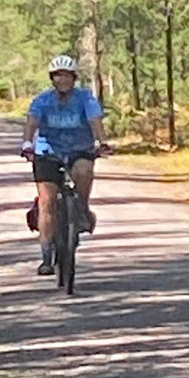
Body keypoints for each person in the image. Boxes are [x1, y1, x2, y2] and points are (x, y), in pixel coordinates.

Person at [20, 55, 111, 275]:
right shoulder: (42, 100)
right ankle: (46, 255)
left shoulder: (85, 98)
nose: (63, 80)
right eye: (58, 76)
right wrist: (27, 142)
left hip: (80, 149)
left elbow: (94, 121)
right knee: (47, 201)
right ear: (52, 78)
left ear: (74, 78)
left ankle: (80, 209)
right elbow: (32, 122)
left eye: (67, 76)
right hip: (47, 151)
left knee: (84, 170)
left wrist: (102, 141)